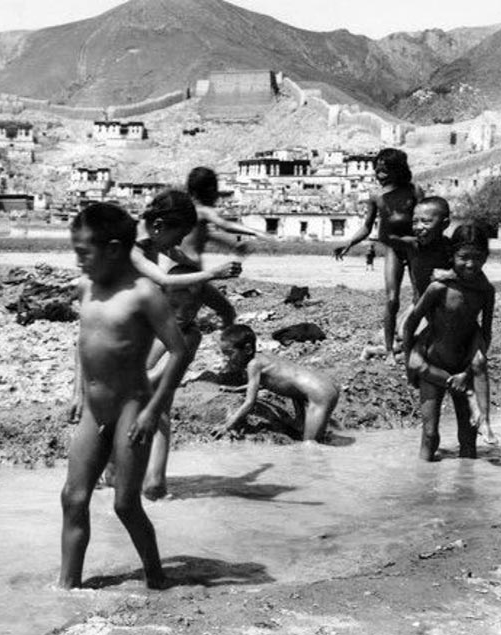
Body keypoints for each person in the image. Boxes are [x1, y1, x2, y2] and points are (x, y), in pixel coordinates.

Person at [61, 203, 190, 590]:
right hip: (94, 408)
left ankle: (156, 578)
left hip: (133, 406)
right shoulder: (87, 286)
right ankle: (67, 587)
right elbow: (85, 341)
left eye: (85, 251)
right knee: (72, 497)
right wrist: (77, 389)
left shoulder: (143, 294)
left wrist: (153, 410)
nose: (78, 259)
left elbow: (179, 351)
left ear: (115, 249)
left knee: (125, 503)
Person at [395, 198, 497, 445]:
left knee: (468, 439)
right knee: (429, 434)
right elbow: (411, 322)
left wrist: (469, 370)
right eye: (464, 258)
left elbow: (486, 332)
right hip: (434, 361)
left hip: (464, 361)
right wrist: (409, 355)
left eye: (478, 258)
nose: (471, 264)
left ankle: (484, 421)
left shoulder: (485, 289)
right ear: (453, 256)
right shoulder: (438, 287)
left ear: (485, 258)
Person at [142, 265, 236, 500]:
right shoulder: (144, 321)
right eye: (174, 306)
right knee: (113, 476)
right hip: (127, 396)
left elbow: (159, 374)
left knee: (154, 485)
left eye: (192, 308)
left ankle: (156, 488)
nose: (184, 314)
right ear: (160, 297)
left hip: (156, 399)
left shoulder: (190, 335)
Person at [334, 148, 423, 363]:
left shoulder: (414, 191)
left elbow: (425, 220)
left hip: (414, 249)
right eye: (377, 170)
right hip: (393, 249)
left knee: (420, 298)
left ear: (398, 170)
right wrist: (349, 243)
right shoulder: (376, 196)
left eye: (385, 171)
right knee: (392, 300)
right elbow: (367, 227)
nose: (380, 175)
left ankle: (410, 338)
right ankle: (390, 350)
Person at [210, 325, 339, 442]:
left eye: (230, 353)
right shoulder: (265, 356)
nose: (227, 358)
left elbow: (250, 402)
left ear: (248, 349)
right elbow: (283, 383)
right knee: (318, 439)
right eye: (224, 354)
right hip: (325, 384)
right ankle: (302, 422)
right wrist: (236, 389)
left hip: (319, 394)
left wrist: (227, 426)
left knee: (310, 446)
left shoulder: (253, 365)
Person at [179, 166, 272, 266]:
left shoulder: (186, 210)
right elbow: (225, 225)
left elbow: (201, 236)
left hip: (179, 265)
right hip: (189, 268)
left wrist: (232, 246)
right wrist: (255, 232)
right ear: (210, 190)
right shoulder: (203, 211)